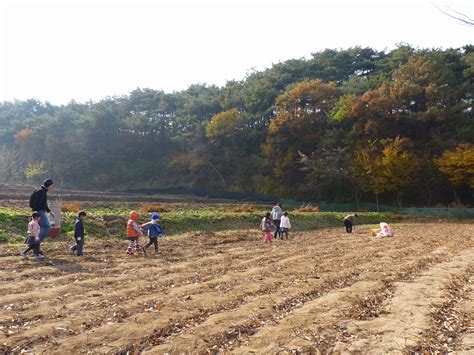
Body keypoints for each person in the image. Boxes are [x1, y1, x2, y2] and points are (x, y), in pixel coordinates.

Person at [29, 179, 55, 251]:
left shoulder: (41, 191)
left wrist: (49, 211)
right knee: (47, 226)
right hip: (39, 212)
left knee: (38, 229)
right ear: (49, 185)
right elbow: (36, 204)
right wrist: (35, 215)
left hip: (39, 211)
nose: (53, 187)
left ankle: (33, 245)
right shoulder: (41, 192)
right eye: (52, 185)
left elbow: (43, 203)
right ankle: (36, 242)